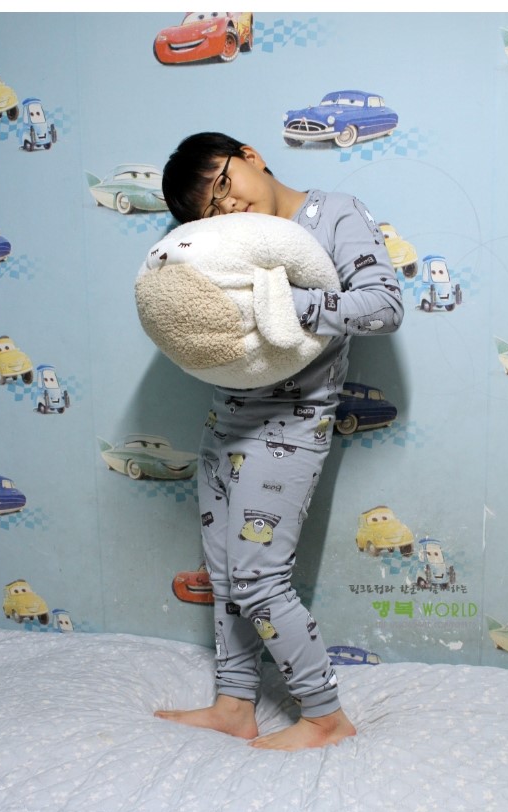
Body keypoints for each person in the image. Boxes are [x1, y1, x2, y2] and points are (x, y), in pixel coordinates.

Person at [154, 132, 404, 750]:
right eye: (210, 209)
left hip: (292, 425)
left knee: (259, 578)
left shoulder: (333, 213)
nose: (226, 207)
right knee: (225, 574)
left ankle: (325, 717)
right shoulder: (228, 240)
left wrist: (281, 302)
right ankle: (235, 704)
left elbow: (384, 306)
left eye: (222, 184)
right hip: (223, 422)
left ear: (250, 156)